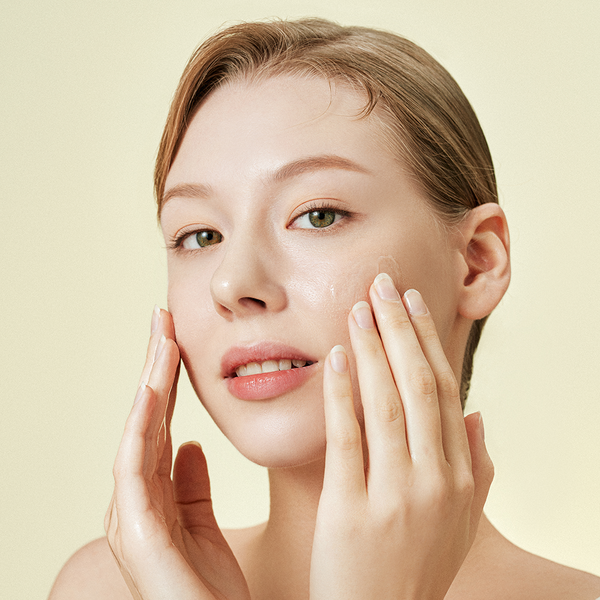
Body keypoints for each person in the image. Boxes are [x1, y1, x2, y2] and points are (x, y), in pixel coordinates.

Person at [48, 18, 600, 600]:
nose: (232, 283)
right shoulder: (106, 588)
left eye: (318, 216)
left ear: (477, 262)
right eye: (201, 236)